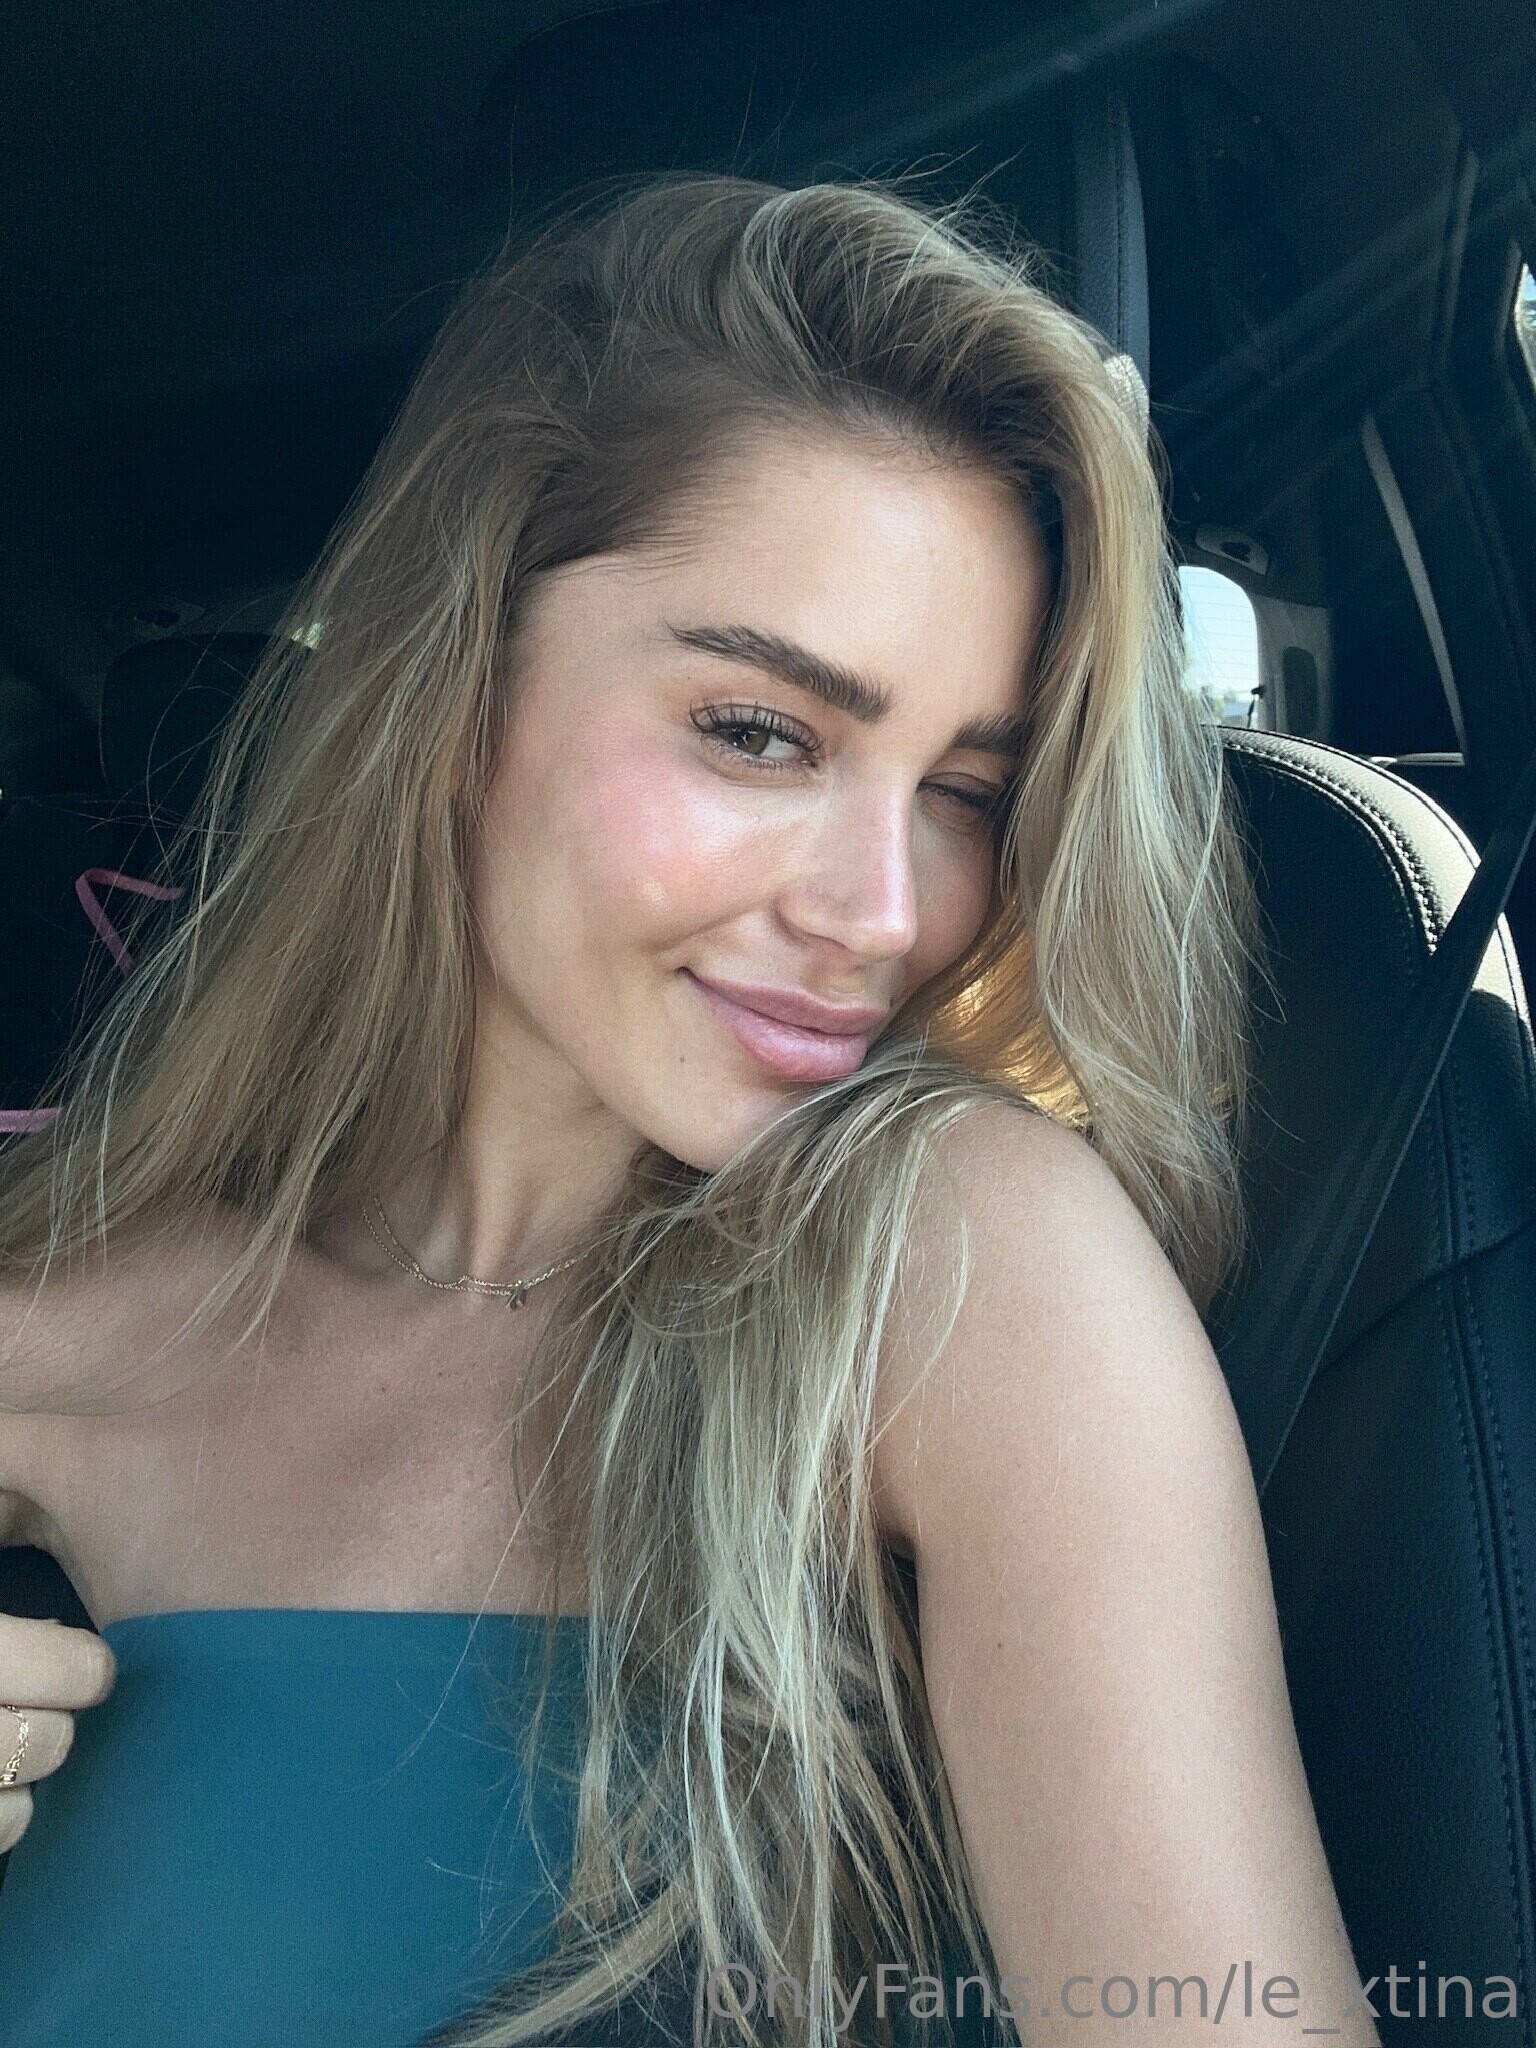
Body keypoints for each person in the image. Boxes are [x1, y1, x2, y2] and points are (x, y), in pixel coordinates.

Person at [0, 173, 1380, 2048]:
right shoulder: (61, 1314)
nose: (883, 914)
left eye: (965, 793)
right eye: (761, 733)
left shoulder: (957, 1262)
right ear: (452, 685)